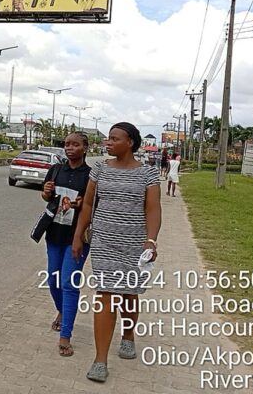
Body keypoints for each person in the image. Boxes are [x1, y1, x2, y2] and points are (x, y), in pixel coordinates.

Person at [72, 122, 161, 383]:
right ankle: (100, 360)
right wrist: (79, 235)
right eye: (107, 139)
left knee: (129, 294)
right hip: (103, 242)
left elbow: (153, 209)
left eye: (114, 139)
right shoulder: (100, 169)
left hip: (134, 244)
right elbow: (88, 203)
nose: (107, 143)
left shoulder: (148, 173)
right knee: (106, 294)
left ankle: (129, 335)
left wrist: (151, 241)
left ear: (130, 142)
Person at [40, 132, 92, 357]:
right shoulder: (56, 170)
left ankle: (65, 336)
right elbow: (46, 197)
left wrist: (79, 204)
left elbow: (92, 206)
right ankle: (62, 311)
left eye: (75, 145)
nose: (69, 148)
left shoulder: (91, 176)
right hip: (54, 234)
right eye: (67, 144)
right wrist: (46, 193)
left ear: (85, 148)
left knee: (69, 284)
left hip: (77, 238)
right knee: (53, 278)